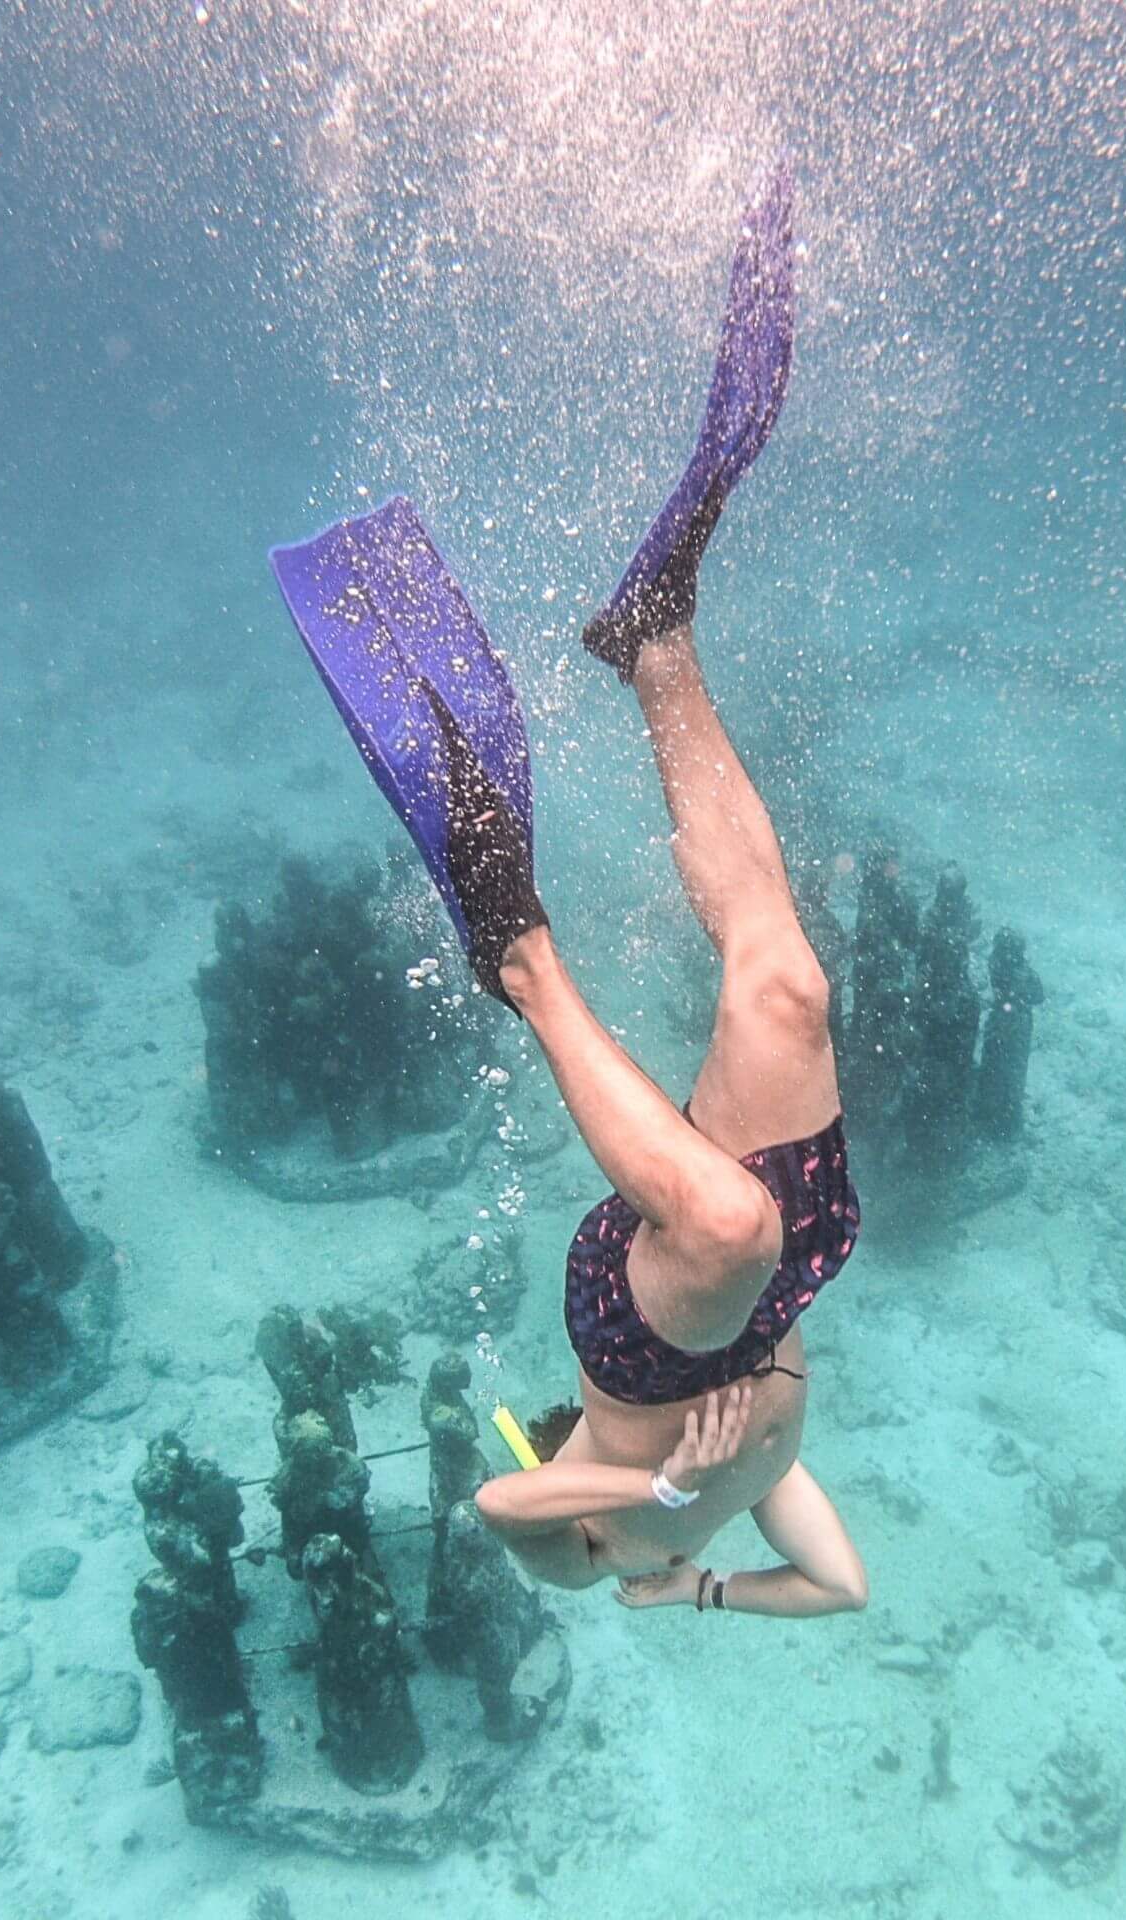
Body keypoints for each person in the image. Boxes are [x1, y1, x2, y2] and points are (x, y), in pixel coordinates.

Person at [268, 167, 866, 1619]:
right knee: (787, 980)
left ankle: (518, 958)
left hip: (661, 1328)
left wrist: (645, 1496)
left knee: (724, 1228)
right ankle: (653, 641)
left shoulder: (606, 1548)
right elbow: (843, 1590)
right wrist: (714, 1591)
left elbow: (498, 1496)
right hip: (781, 1290)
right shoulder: (693, 1565)